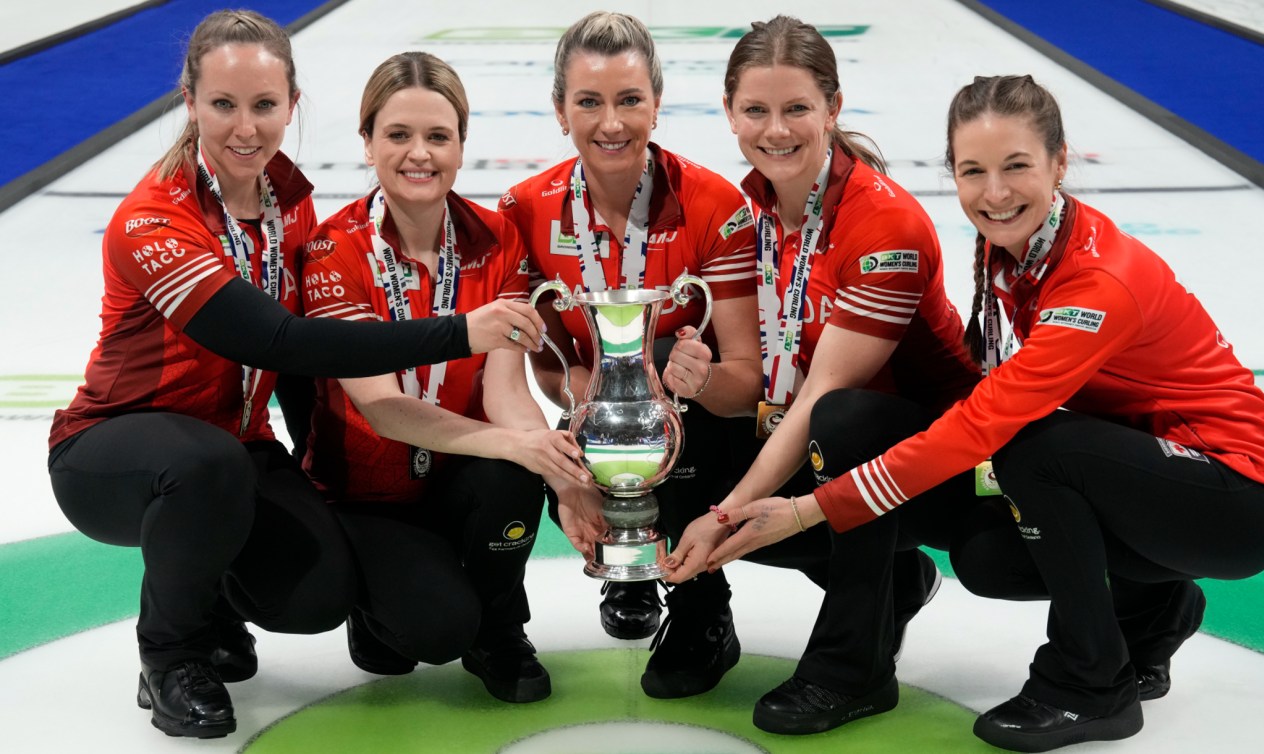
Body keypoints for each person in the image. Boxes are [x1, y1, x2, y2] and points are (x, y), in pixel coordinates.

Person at [690, 74, 1264, 752]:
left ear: (1059, 163)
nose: (995, 193)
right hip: (1143, 478)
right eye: (973, 171)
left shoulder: (1096, 280)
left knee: (1034, 448)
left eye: (1017, 167)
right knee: (985, 554)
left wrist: (809, 508)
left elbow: (988, 423)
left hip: (1234, 497)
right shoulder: (1010, 245)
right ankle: (1151, 608)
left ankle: (1090, 683)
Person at [46, 11, 544, 740]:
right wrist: (460, 331)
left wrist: (317, 478)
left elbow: (296, 375)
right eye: (223, 104)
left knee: (315, 597)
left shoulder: (289, 205)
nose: (245, 127)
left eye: (263, 105)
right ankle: (170, 657)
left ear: (291, 105)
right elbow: (280, 339)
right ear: (189, 102)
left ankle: (210, 595)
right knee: (203, 464)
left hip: (236, 450)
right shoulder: (154, 220)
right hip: (113, 450)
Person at [663, 16, 982, 736]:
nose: (775, 130)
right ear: (728, 112)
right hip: (811, 442)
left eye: (796, 108)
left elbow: (819, 400)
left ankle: (854, 669)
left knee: (844, 421)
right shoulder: (740, 210)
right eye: (755, 110)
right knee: (669, 411)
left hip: (935, 464)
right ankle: (702, 622)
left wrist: (723, 517)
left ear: (833, 109)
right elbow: (755, 381)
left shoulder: (882, 226)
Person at [300, 51, 589, 705]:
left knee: (516, 467)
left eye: (438, 136)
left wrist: (554, 468)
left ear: (461, 144)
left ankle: (500, 628)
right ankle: (377, 598)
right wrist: (518, 445)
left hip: (453, 479)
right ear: (367, 143)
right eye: (398, 135)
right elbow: (383, 409)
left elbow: (506, 391)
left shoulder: (498, 239)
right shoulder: (332, 250)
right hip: (362, 498)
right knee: (429, 632)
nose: (419, 154)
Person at [497, 11, 764, 698]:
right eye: (588, 101)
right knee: (565, 447)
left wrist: (698, 383)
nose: (610, 122)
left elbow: (744, 382)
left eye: (628, 100)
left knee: (677, 433)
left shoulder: (714, 205)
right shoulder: (524, 209)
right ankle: (627, 566)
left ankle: (703, 614)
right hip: (606, 430)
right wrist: (576, 387)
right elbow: (545, 363)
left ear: (657, 101)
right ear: (560, 110)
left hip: (699, 427)